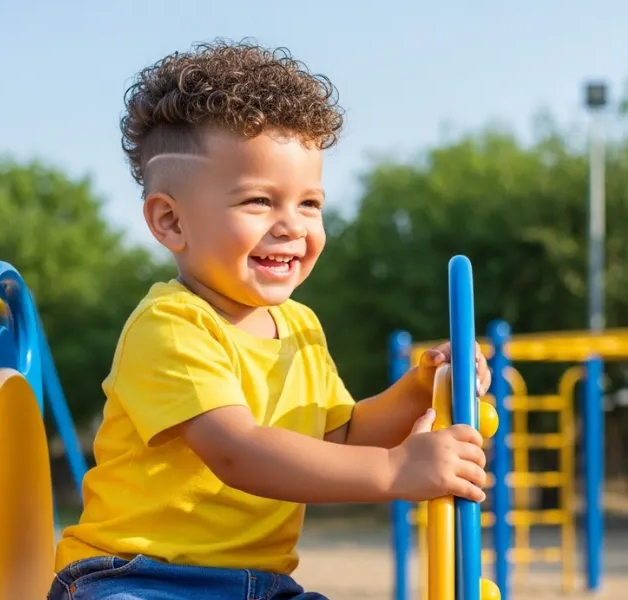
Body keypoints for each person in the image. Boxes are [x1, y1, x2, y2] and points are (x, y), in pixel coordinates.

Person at [48, 39, 492, 600]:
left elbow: (344, 435)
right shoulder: (172, 325)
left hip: (263, 585)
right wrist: (394, 472)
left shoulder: (302, 326)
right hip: (140, 576)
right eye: (259, 201)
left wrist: (419, 390)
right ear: (170, 222)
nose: (292, 226)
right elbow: (237, 450)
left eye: (309, 203)